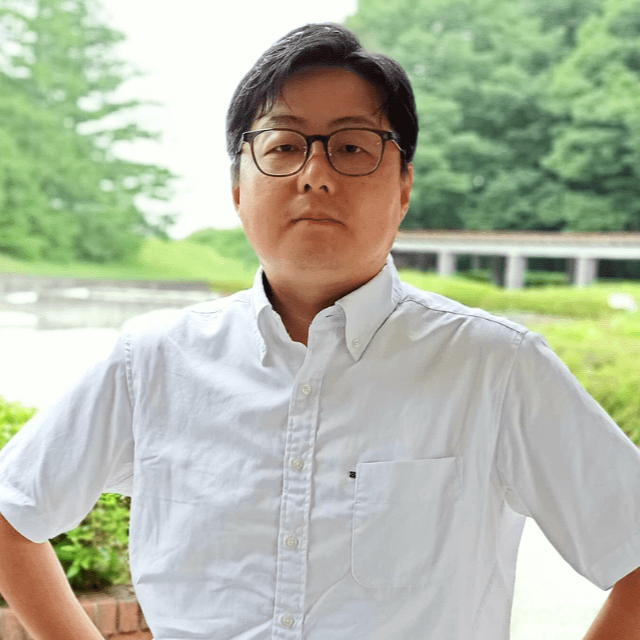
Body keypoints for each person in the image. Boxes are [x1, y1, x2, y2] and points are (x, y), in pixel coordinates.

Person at [0, 22, 639, 640]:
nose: (315, 173)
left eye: (352, 147)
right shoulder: (153, 362)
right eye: (283, 146)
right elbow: (11, 513)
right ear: (237, 188)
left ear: (404, 187)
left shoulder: (493, 366)